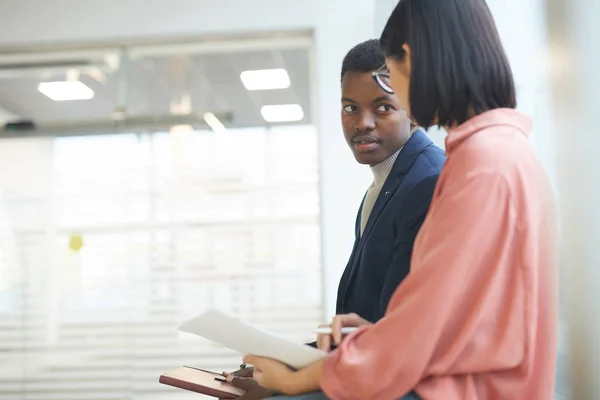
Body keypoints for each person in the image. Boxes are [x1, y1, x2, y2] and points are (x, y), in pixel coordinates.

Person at [241, 0, 559, 399]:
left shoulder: (481, 165)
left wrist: (293, 381)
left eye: (391, 81)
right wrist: (378, 334)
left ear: (407, 58)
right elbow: (454, 322)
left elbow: (419, 333)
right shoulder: (501, 150)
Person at [224, 39, 445, 399]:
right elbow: (363, 326)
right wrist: (283, 362)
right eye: (350, 108)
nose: (363, 123)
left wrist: (286, 382)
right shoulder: (385, 183)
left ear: (413, 110)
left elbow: (391, 336)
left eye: (383, 107)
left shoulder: (427, 182)